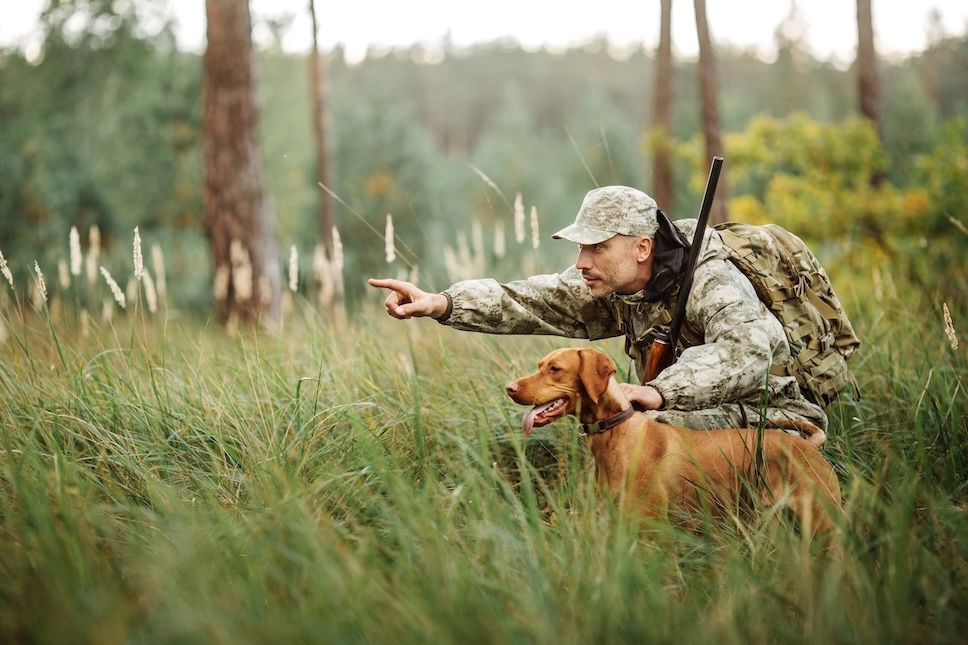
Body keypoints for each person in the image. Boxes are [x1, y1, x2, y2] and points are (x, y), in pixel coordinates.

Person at [368, 186, 827, 431]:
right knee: (627, 425)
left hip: (772, 413)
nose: (581, 263)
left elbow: (748, 351)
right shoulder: (612, 283)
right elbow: (529, 300)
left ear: (643, 247)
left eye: (598, 248)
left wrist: (659, 392)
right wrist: (441, 302)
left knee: (646, 424)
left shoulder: (710, 279)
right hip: (691, 413)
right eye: (581, 247)